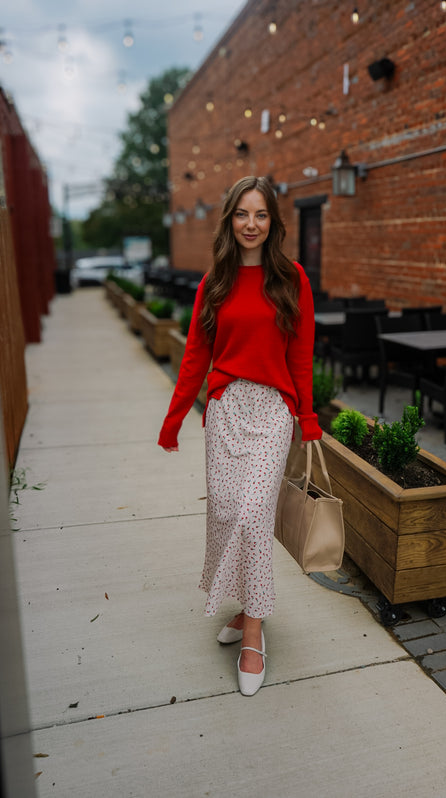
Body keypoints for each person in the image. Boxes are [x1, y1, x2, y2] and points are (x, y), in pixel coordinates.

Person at [158, 175, 322, 696]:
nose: (251, 224)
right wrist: (174, 417)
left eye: (262, 215)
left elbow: (301, 352)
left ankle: (253, 632)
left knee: (253, 516)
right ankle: (248, 604)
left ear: (273, 223)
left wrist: (309, 418)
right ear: (230, 219)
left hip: (272, 410)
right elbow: (194, 356)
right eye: (242, 214)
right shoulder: (216, 282)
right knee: (228, 515)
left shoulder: (291, 279)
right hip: (226, 410)